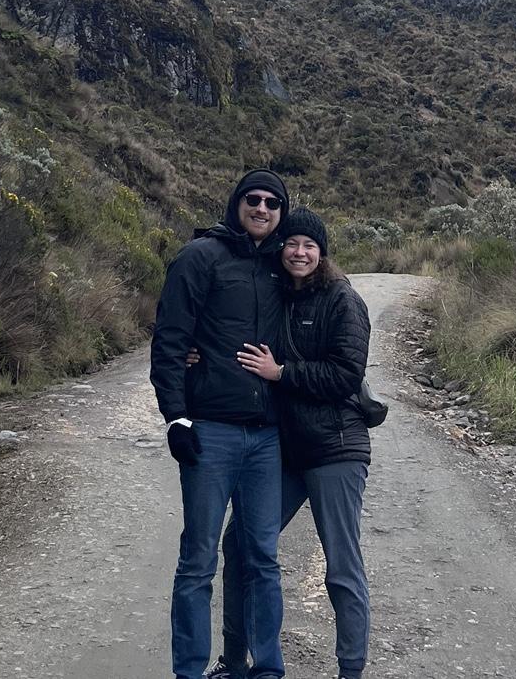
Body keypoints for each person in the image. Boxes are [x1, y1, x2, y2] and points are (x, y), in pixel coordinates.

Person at [211, 207, 373, 679]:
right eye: (292, 243)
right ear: (281, 248)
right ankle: (234, 662)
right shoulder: (276, 294)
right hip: (284, 450)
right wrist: (197, 353)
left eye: (309, 245)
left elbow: (346, 374)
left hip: (335, 448)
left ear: (322, 253)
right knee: (239, 545)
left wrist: (282, 373)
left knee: (341, 565)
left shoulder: (342, 299)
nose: (299, 253)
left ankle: (351, 670)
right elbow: (238, 340)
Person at [151, 169, 292, 679]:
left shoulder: (283, 265)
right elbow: (170, 340)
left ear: (282, 212)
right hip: (210, 431)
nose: (262, 208)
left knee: (263, 559)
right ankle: (188, 672)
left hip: (267, 437)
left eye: (272, 202)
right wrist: (176, 417)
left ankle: (266, 669)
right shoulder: (199, 257)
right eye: (253, 199)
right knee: (198, 560)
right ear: (236, 203)